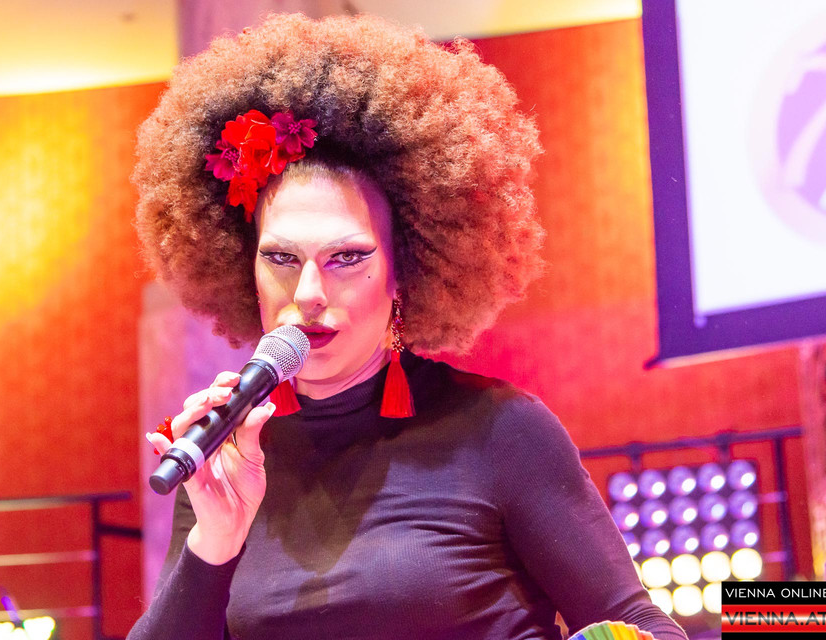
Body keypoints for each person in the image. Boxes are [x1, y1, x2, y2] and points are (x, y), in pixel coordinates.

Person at [128, 13, 687, 640]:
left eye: (347, 258)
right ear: (244, 269)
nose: (308, 293)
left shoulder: (501, 431)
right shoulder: (224, 459)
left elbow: (641, 623)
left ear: (404, 272)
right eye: (281, 258)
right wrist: (215, 543)